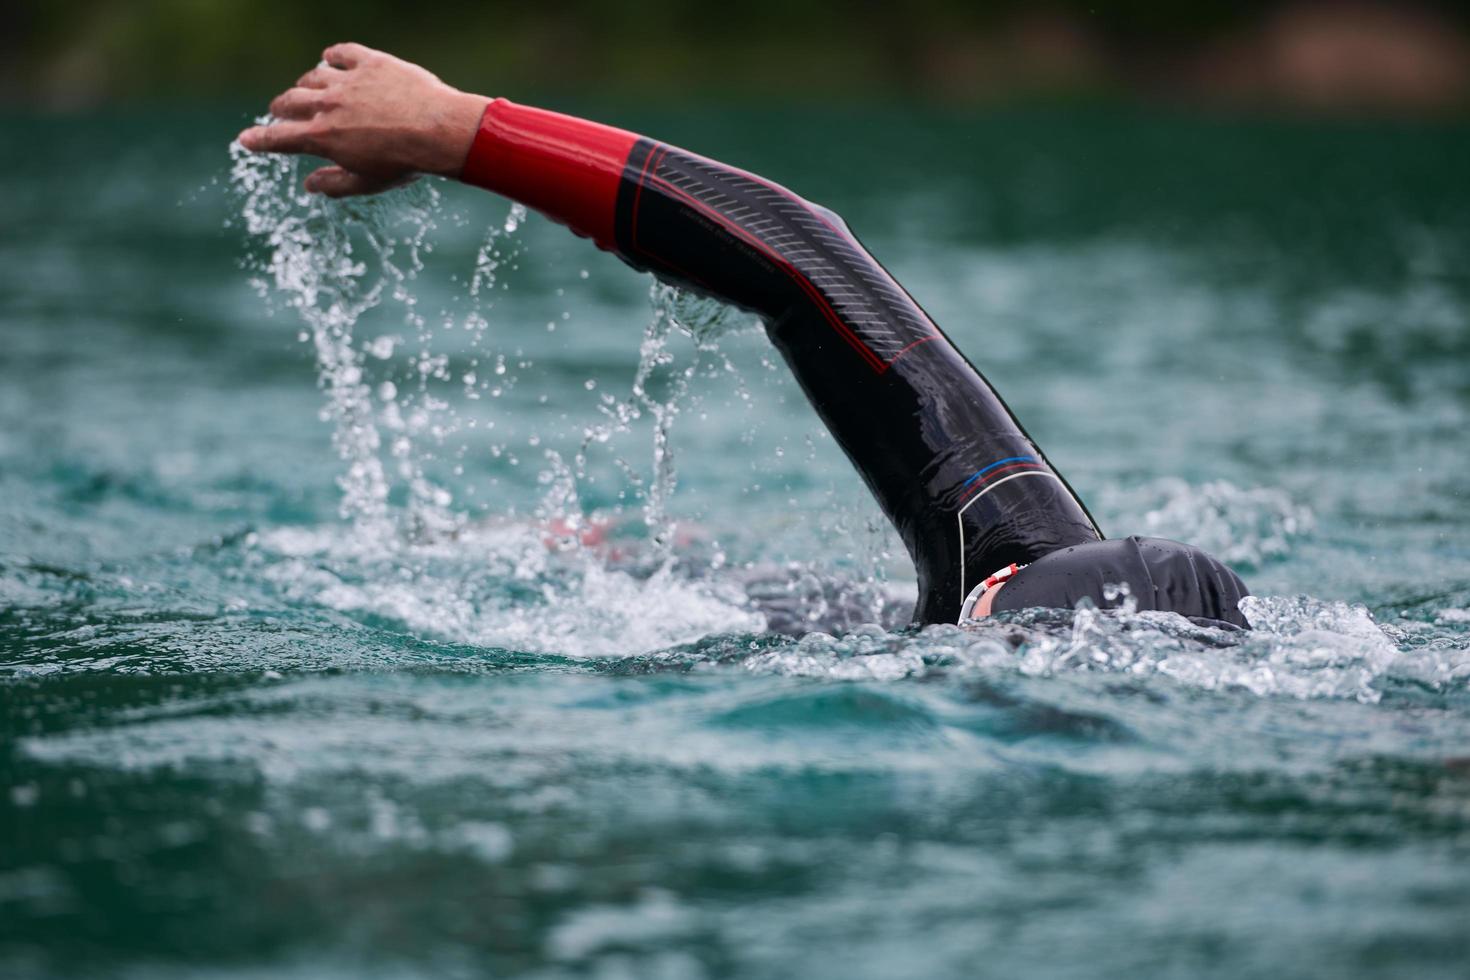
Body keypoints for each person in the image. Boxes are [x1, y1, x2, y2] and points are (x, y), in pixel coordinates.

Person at [239, 43, 1252, 630]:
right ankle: (599, 553)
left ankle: (587, 554)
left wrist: (457, 127)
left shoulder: (1025, 570)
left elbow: (801, 257)